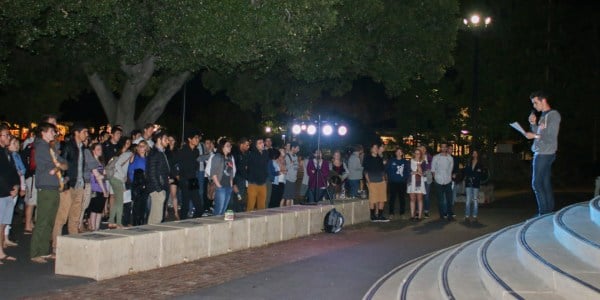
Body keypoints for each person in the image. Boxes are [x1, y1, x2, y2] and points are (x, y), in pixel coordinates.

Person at [53, 124, 97, 245]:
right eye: (84, 132)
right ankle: (56, 245)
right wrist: (63, 182)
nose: (86, 134)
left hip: (79, 183)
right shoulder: (68, 146)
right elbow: (62, 165)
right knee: (62, 216)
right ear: (77, 133)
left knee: (75, 216)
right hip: (69, 184)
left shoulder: (82, 147)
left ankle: (74, 243)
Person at [30, 122, 67, 263]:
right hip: (45, 186)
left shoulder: (49, 147)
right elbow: (51, 166)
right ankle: (35, 252)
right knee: (43, 220)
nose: (54, 134)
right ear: (43, 133)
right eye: (52, 131)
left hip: (53, 185)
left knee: (50, 220)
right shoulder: (41, 146)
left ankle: (45, 250)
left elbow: (63, 163)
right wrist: (58, 166)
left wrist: (58, 167)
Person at [525, 90, 561, 216]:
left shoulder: (553, 115)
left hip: (544, 154)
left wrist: (534, 135)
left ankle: (543, 212)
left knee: (536, 183)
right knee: (545, 183)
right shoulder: (544, 116)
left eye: (535, 103)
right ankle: (548, 212)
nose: (534, 106)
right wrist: (533, 124)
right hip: (543, 153)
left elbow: (550, 137)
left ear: (543, 100)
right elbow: (540, 135)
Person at [0, 125, 20, 263]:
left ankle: (1, 251)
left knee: (3, 225)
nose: (8, 137)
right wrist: (9, 189)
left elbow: (13, 171)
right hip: (2, 193)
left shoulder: (7, 152)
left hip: (8, 193)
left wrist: (17, 186)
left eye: (8, 135)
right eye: (6, 135)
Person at [175, 130, 203, 219]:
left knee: (199, 207)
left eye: (198, 138)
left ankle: (193, 224)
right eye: (195, 138)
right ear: (189, 139)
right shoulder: (183, 151)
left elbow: (195, 165)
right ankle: (183, 225)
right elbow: (175, 164)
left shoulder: (196, 151)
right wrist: (178, 176)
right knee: (185, 206)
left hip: (193, 179)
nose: (197, 139)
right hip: (184, 179)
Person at [145, 131, 171, 224]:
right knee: (156, 218)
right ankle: (150, 236)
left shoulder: (160, 152)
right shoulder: (155, 153)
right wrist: (159, 189)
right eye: (165, 139)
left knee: (157, 217)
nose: (167, 141)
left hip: (161, 187)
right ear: (159, 139)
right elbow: (151, 173)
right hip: (157, 189)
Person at [107, 137, 132, 227]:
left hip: (112, 178)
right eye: (126, 143)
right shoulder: (128, 154)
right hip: (118, 178)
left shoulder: (118, 153)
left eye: (129, 143)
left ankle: (111, 221)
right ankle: (118, 223)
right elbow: (117, 165)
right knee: (120, 201)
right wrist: (123, 176)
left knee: (117, 201)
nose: (128, 144)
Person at [363, 143, 389, 222]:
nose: (376, 149)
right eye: (374, 148)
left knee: (382, 198)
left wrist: (384, 180)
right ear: (371, 149)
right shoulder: (367, 158)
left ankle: (380, 216)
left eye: (377, 147)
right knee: (373, 199)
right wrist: (368, 181)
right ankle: (373, 216)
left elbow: (383, 170)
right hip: (372, 181)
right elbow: (365, 171)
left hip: (381, 181)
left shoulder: (379, 158)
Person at [210, 138, 235, 215]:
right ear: (222, 147)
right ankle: (214, 226)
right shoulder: (217, 157)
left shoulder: (230, 158)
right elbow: (213, 173)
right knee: (219, 209)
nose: (230, 147)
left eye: (230, 146)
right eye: (227, 146)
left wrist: (231, 185)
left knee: (224, 209)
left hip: (228, 186)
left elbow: (230, 172)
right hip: (221, 186)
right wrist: (219, 186)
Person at [87, 143, 109, 231]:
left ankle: (97, 227)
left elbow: (103, 175)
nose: (100, 151)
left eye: (101, 149)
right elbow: (98, 177)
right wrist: (104, 190)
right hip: (96, 187)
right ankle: (93, 227)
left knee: (99, 209)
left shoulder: (100, 162)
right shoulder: (93, 162)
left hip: (102, 186)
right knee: (94, 209)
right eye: (98, 149)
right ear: (93, 151)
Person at [431, 142, 454, 220]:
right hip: (438, 181)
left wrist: (450, 180)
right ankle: (442, 215)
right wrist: (435, 179)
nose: (443, 148)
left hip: (448, 181)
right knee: (440, 200)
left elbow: (450, 170)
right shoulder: (436, 157)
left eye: (445, 147)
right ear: (440, 148)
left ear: (447, 148)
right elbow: (433, 170)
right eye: (442, 147)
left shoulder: (450, 158)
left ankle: (450, 215)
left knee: (449, 200)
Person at [128, 140, 149, 225]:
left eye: (143, 146)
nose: (141, 148)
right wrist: (135, 183)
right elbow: (130, 171)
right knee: (137, 205)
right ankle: (135, 224)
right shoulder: (135, 157)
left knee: (143, 206)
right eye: (139, 146)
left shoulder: (148, 159)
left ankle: (141, 223)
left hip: (146, 184)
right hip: (137, 185)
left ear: (146, 147)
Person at [246, 138, 269, 211]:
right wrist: (249, 178)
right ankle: (248, 220)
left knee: (262, 206)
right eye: (259, 143)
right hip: (253, 183)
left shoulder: (265, 153)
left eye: (262, 142)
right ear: (255, 145)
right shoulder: (251, 154)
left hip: (263, 183)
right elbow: (247, 167)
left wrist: (265, 176)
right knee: (250, 206)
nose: (262, 144)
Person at [386, 148, 410, 218]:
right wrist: (389, 179)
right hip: (393, 182)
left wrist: (405, 179)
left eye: (400, 152)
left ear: (402, 153)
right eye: (397, 152)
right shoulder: (391, 161)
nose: (399, 153)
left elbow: (407, 172)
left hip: (402, 183)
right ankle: (391, 213)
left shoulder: (405, 162)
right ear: (395, 153)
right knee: (392, 198)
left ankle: (402, 213)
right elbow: (387, 170)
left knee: (402, 198)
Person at [463, 150, 484, 223]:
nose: (474, 154)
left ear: (478, 154)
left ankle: (475, 216)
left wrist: (474, 175)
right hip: (468, 183)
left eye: (476, 153)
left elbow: (480, 173)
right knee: (468, 200)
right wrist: (473, 174)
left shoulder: (480, 163)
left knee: (475, 200)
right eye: (473, 153)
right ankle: (467, 216)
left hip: (476, 184)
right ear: (472, 154)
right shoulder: (469, 162)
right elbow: (466, 171)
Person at [407, 148, 427, 221]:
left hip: (420, 183)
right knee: (412, 199)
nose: (417, 155)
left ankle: (419, 217)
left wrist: (419, 167)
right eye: (415, 153)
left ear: (421, 154)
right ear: (413, 154)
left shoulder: (423, 162)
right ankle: (412, 216)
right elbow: (407, 171)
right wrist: (412, 172)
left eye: (418, 153)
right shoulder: (410, 161)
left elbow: (424, 174)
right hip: (411, 182)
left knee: (420, 199)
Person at [232, 137, 250, 212]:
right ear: (241, 145)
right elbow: (233, 169)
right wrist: (234, 183)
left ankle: (239, 214)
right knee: (235, 198)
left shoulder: (245, 154)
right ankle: (235, 214)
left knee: (240, 197)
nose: (248, 147)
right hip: (236, 179)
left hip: (243, 179)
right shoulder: (235, 154)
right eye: (247, 145)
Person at [282, 142, 300, 207]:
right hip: (288, 179)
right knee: (287, 198)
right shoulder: (287, 156)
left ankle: (291, 212)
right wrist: (291, 164)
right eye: (297, 148)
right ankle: (286, 213)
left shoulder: (296, 156)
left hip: (294, 179)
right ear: (293, 148)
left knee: (291, 197)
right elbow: (285, 167)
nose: (298, 150)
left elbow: (296, 167)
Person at [418, 145, 433, 218]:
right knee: (419, 195)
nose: (422, 150)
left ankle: (426, 211)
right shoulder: (417, 157)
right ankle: (418, 211)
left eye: (423, 149)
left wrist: (425, 160)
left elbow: (430, 167)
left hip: (427, 178)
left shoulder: (429, 157)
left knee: (426, 196)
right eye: (420, 149)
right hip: (419, 178)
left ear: (425, 150)